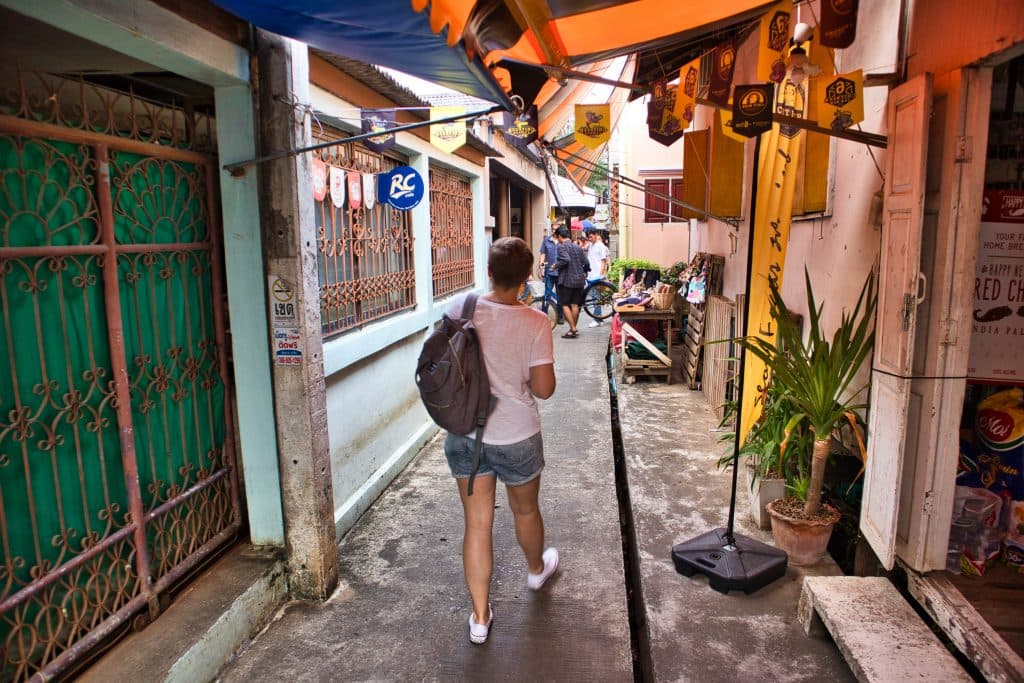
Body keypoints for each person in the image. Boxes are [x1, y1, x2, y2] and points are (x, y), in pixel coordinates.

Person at [444, 237, 559, 645]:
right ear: (528, 277)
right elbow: (544, 390)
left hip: (464, 435)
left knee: (476, 525)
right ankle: (535, 570)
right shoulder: (535, 322)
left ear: (489, 272)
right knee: (525, 511)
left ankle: (479, 617)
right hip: (516, 435)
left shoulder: (460, 309)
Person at [553, 225, 589, 338]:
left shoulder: (561, 247)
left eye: (557, 237)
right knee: (575, 305)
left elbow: (566, 260)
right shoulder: (578, 247)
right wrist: (584, 272)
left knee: (564, 304)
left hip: (567, 280)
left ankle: (573, 328)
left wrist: (556, 265)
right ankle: (572, 329)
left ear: (559, 236)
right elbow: (586, 262)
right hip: (579, 281)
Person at [585, 230, 610, 327]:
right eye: (589, 237)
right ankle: (599, 319)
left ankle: (596, 319)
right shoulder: (591, 245)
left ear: (596, 235)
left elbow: (603, 261)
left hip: (597, 275)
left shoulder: (601, 246)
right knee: (596, 297)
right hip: (591, 274)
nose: (589, 239)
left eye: (591, 236)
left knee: (596, 297)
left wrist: (600, 275)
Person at [538, 226, 562, 323]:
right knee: (546, 294)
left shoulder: (562, 240)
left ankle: (560, 316)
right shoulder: (546, 240)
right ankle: (544, 315)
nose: (554, 230)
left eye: (556, 229)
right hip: (549, 272)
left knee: (560, 295)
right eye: (553, 228)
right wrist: (541, 267)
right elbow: (542, 254)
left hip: (561, 272)